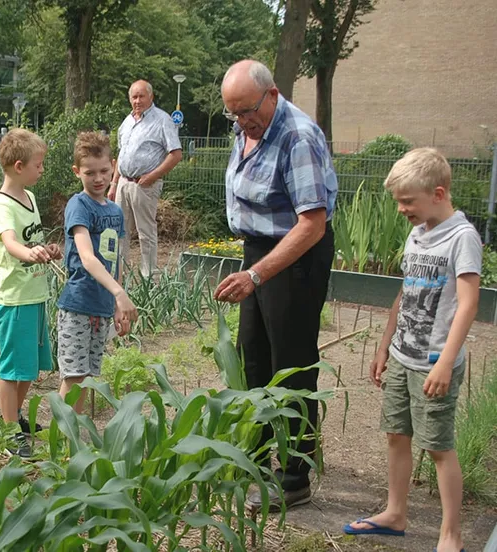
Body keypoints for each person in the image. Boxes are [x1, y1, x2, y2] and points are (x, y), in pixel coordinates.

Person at [213, 60, 338, 510]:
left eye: (247, 110)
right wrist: (252, 265)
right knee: (255, 356)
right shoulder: (246, 127)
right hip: (260, 251)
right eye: (233, 113)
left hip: (295, 256)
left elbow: (312, 224)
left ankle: (294, 475)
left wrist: (257, 273)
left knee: (293, 363)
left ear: (272, 94)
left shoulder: (297, 136)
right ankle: (262, 452)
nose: (242, 121)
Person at [343, 148, 480, 552]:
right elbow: (405, 292)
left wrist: (446, 363)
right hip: (404, 356)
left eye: (407, 201)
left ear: (438, 193)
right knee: (396, 435)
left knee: (438, 446)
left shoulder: (462, 237)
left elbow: (469, 304)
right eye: (398, 202)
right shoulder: (417, 232)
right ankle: (395, 513)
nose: (402, 209)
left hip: (435, 361)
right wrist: (385, 346)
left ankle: (450, 533)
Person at [0, 128, 62, 458]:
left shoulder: (29, 198)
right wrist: (28, 253)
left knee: (28, 367)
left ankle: (15, 418)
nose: (42, 169)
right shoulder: (2, 204)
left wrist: (44, 249)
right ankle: (7, 432)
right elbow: (9, 241)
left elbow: (29, 239)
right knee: (12, 368)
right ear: (19, 166)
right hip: (14, 299)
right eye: (39, 164)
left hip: (35, 295)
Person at [57, 132, 138, 413]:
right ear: (77, 171)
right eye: (89, 172)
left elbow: (114, 261)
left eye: (104, 170)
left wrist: (117, 304)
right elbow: (88, 258)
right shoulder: (78, 205)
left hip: (102, 308)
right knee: (74, 377)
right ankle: (62, 439)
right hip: (78, 305)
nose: (98, 178)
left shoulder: (115, 211)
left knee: (87, 377)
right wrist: (120, 293)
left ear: (113, 165)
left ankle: (74, 439)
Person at [108, 80, 182, 278]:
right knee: (119, 231)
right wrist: (114, 183)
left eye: (141, 96)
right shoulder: (128, 121)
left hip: (144, 185)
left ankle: (148, 278)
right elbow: (121, 153)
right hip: (123, 182)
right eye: (134, 97)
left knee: (145, 233)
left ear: (151, 97)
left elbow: (175, 154)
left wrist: (152, 176)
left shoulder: (162, 120)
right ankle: (118, 275)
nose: (137, 101)